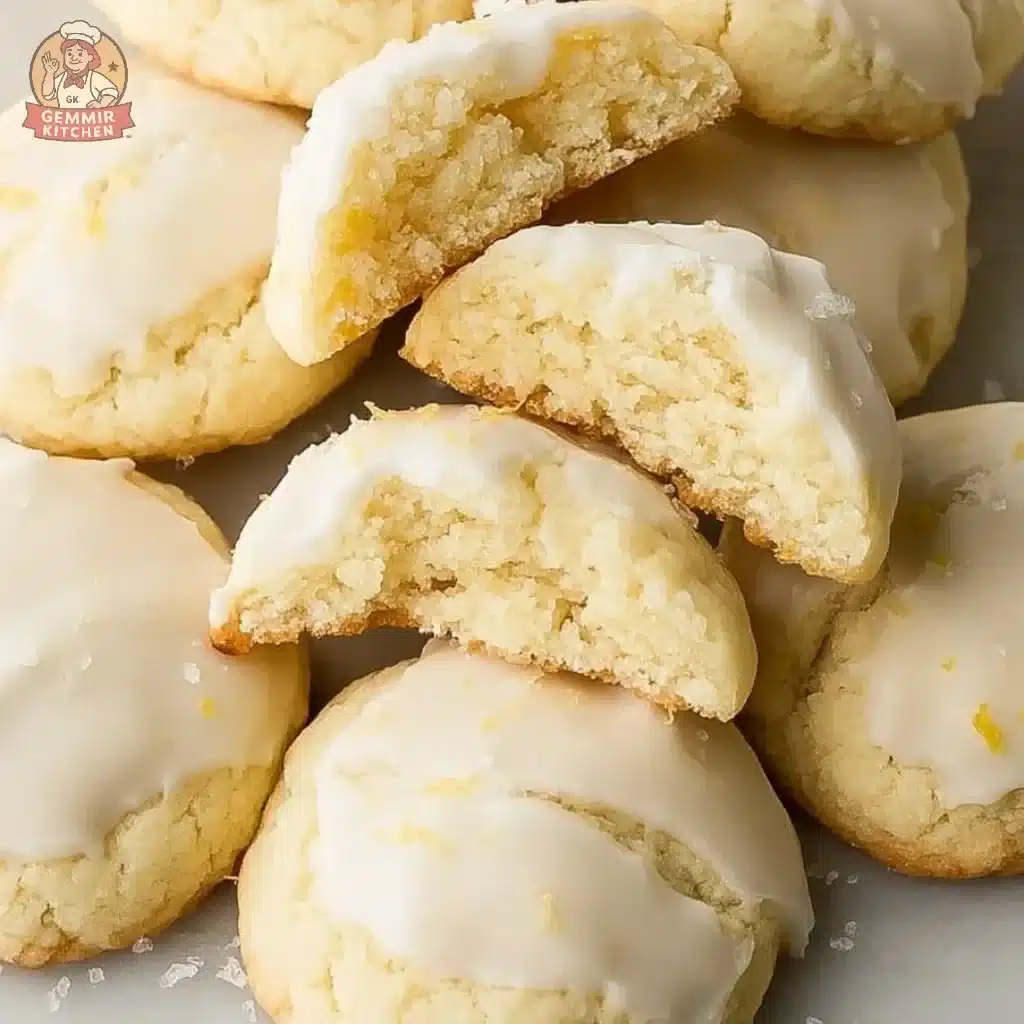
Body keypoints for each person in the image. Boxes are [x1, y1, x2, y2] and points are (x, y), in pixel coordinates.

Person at [39, 21, 119, 110]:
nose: (74, 58)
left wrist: (100, 104)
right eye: (69, 54)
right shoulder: (63, 77)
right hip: (64, 121)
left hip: (89, 122)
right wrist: (50, 73)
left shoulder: (93, 77)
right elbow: (48, 95)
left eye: (80, 54)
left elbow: (111, 92)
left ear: (90, 57)